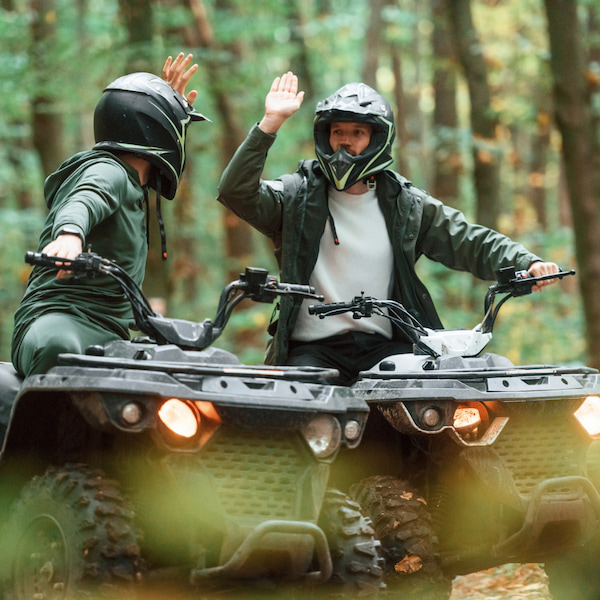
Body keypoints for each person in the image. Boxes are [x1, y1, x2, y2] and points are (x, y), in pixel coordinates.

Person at [217, 72, 560, 385]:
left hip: (386, 349)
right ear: (326, 136)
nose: (345, 143)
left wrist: (525, 262)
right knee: (295, 423)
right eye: (338, 132)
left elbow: (469, 240)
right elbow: (236, 192)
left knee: (436, 416)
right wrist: (270, 124)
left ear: (377, 138)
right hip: (311, 352)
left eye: (357, 133)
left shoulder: (406, 205)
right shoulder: (295, 197)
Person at [11, 53, 209, 377]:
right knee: (58, 349)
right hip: (59, 319)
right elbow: (88, 196)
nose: (179, 138)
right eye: (175, 129)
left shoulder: (134, 188)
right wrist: (70, 234)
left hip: (112, 332)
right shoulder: (109, 171)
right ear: (156, 132)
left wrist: (163, 103)